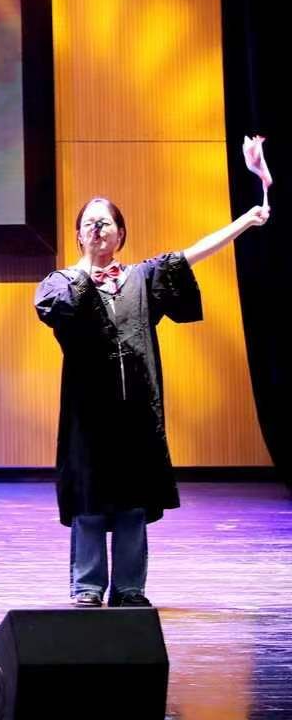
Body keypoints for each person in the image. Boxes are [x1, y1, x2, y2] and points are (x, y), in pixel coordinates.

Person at [35, 194, 270, 607]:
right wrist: (88, 274)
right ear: (78, 236)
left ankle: (129, 588)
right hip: (87, 416)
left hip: (136, 413)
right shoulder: (61, 282)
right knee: (89, 500)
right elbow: (54, 309)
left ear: (121, 234)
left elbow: (191, 254)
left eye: (105, 223)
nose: (97, 229)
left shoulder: (141, 278)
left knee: (132, 503)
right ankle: (87, 587)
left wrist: (245, 221)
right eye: (89, 223)